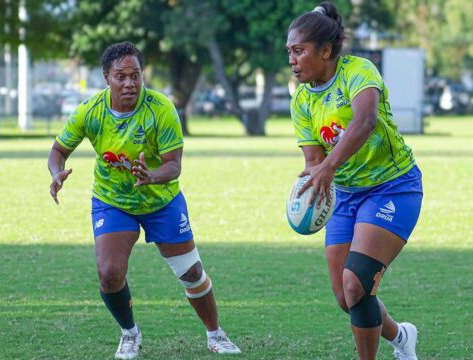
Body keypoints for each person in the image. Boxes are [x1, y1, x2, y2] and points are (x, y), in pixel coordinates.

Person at [48, 41, 241, 359]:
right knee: (109, 273)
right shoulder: (90, 111)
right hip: (113, 202)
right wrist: (55, 173)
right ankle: (129, 334)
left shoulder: (161, 109)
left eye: (135, 75)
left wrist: (151, 175)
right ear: (106, 77)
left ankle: (215, 334)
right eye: (120, 76)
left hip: (161, 201)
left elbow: (174, 165)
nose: (129, 83)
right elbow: (58, 150)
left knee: (191, 273)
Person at [286, 3, 423, 360]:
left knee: (356, 283)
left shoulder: (358, 71)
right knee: (347, 297)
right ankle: (401, 338)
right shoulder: (301, 100)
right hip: (345, 196)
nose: (293, 60)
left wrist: (327, 167)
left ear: (326, 51)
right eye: (290, 52)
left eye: (299, 51)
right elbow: (314, 161)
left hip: (393, 187)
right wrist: (311, 189)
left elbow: (364, 122)